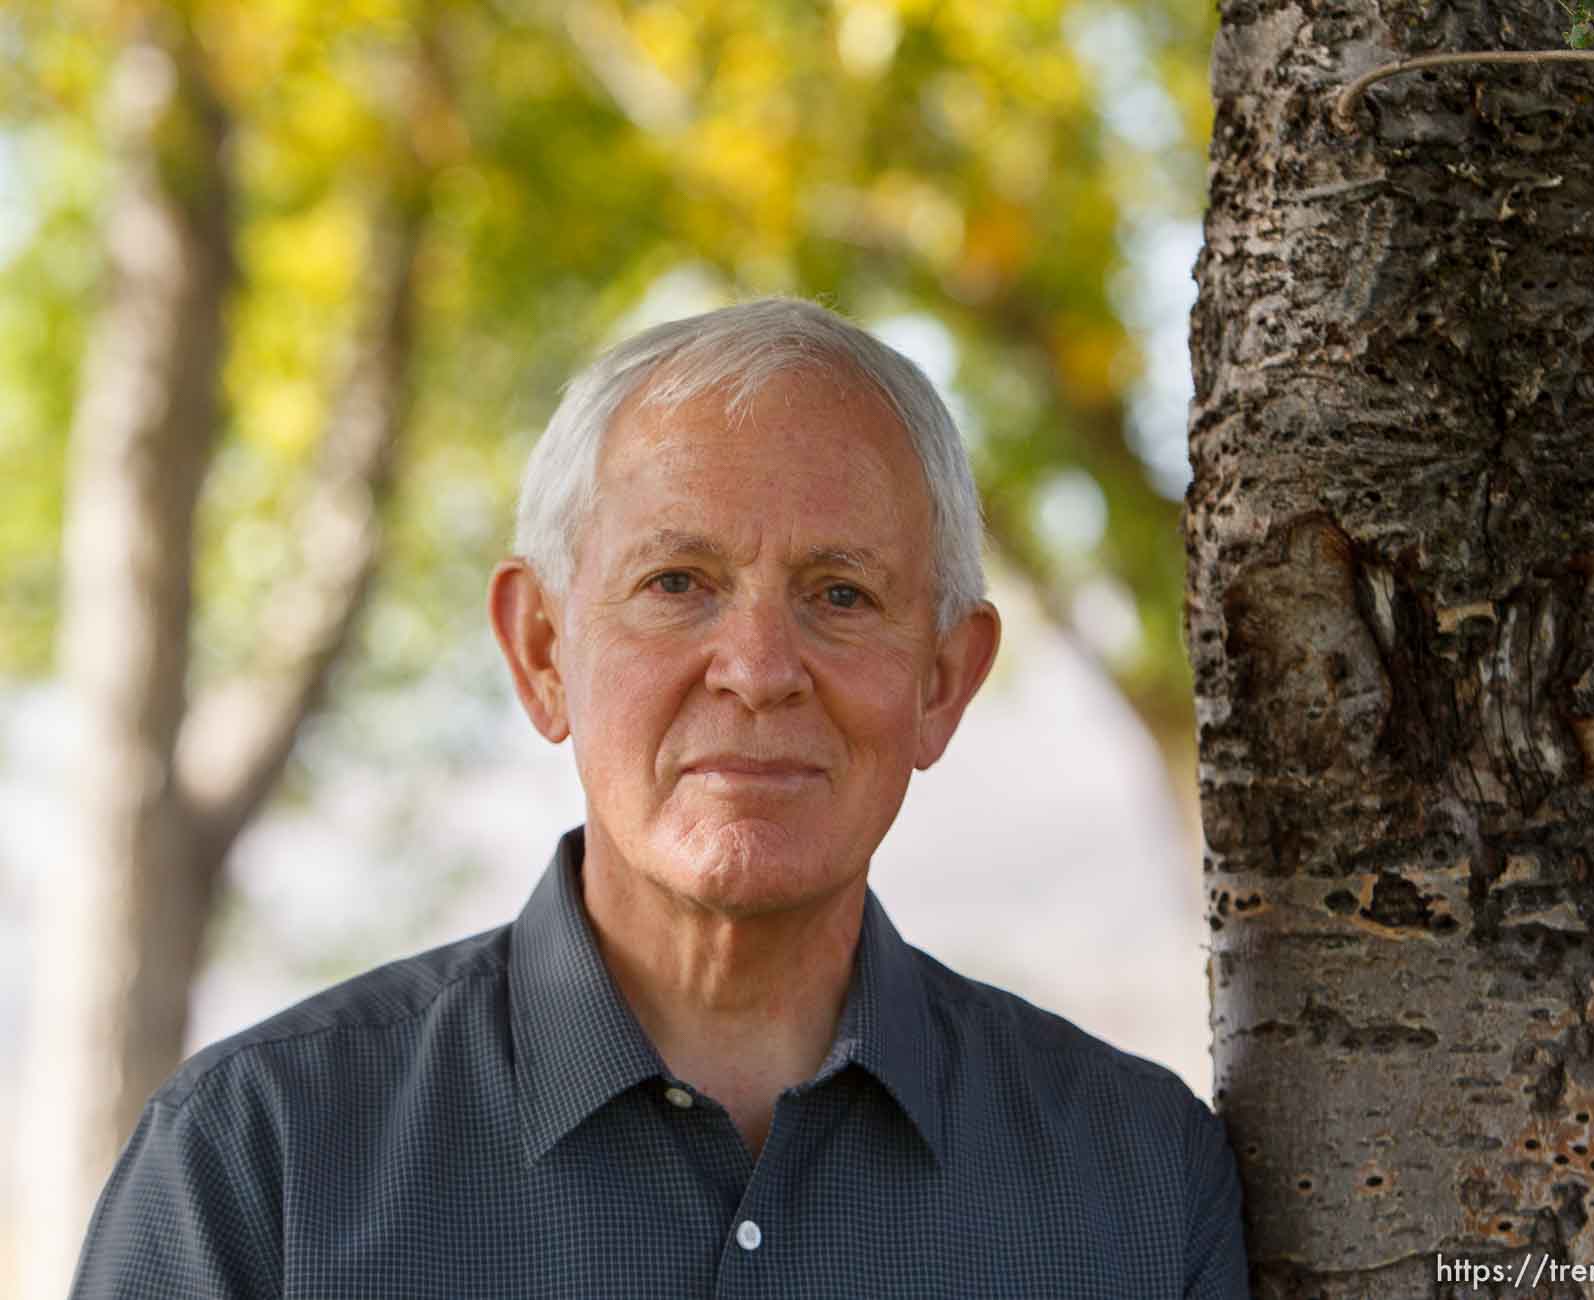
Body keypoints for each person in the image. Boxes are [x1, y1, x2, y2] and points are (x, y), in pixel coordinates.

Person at [70, 297, 1249, 1298]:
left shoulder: (1138, 1188)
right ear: (540, 650)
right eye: (677, 581)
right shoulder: (258, 1167)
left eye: (838, 595)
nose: (757, 667)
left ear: (941, 681)